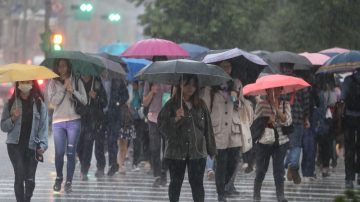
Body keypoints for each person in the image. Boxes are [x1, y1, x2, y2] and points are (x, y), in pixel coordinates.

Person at [158, 74, 216, 202]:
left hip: (197, 152)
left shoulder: (201, 105)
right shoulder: (171, 104)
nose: (191, 88)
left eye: (194, 85)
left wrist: (211, 149)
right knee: (175, 184)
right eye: (187, 84)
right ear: (180, 85)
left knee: (197, 185)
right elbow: (162, 126)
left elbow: (208, 128)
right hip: (176, 152)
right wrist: (176, 119)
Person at [202, 61, 243, 202]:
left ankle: (225, 186)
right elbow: (205, 109)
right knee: (221, 162)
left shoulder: (237, 83)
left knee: (233, 162)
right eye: (223, 66)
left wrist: (234, 96)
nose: (226, 69)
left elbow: (241, 106)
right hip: (217, 130)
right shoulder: (209, 87)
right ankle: (221, 194)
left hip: (233, 130)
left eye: (229, 66)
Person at [1, 80, 48, 202]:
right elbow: (3, 127)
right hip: (14, 145)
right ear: (18, 84)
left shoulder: (39, 104)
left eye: (28, 82)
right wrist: (13, 118)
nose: (25, 84)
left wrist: (42, 145)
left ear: (32, 84)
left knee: (30, 180)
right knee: (19, 174)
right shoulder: (11, 103)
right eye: (22, 82)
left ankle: (27, 199)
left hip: (33, 146)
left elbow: (43, 127)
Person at [47, 59, 87, 193]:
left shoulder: (76, 80)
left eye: (64, 66)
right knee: (59, 153)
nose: (61, 69)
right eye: (59, 66)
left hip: (74, 121)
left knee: (71, 153)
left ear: (69, 66)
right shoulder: (52, 82)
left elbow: (84, 100)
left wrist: (73, 91)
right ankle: (59, 177)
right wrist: (64, 88)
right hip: (58, 121)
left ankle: (69, 181)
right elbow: (53, 102)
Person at [253, 87, 292, 202]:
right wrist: (267, 120)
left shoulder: (285, 104)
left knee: (279, 169)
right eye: (271, 90)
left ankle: (280, 195)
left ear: (281, 91)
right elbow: (255, 122)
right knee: (261, 169)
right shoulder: (261, 105)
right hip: (264, 142)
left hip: (281, 142)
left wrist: (276, 109)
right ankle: (256, 194)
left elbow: (288, 121)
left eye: (277, 90)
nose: (274, 93)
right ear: (267, 91)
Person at [280, 63, 310, 185]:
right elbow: (306, 102)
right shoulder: (300, 83)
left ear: (282, 68)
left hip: (283, 118)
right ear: (293, 68)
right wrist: (306, 118)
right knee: (296, 145)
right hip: (297, 118)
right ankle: (292, 164)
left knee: (282, 146)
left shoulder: (279, 81)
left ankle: (285, 167)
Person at [77, 75, 107, 180]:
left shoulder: (97, 81)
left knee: (98, 146)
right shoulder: (77, 82)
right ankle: (84, 166)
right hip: (83, 119)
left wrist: (96, 97)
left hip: (98, 119)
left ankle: (98, 168)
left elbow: (104, 102)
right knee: (82, 146)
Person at [341, 68, 360, 189]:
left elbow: (343, 97)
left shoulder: (348, 80)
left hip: (349, 118)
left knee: (349, 148)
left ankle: (349, 178)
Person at [107, 78, 130, 176]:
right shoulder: (99, 80)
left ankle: (113, 164)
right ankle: (109, 163)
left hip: (115, 115)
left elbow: (126, 96)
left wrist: (117, 102)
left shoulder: (118, 81)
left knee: (113, 139)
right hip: (102, 113)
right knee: (108, 140)